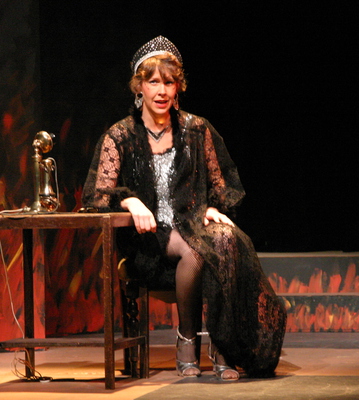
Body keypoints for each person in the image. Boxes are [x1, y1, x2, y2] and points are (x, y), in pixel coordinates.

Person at [82, 36, 286, 380]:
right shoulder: (120, 135)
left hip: (192, 227)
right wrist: (129, 199)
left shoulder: (196, 129)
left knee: (225, 238)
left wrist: (211, 207)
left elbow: (223, 183)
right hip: (148, 241)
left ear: (178, 87)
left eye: (169, 82)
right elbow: (95, 196)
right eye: (153, 82)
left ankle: (223, 346)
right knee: (199, 248)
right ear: (139, 87)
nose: (162, 91)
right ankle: (190, 340)